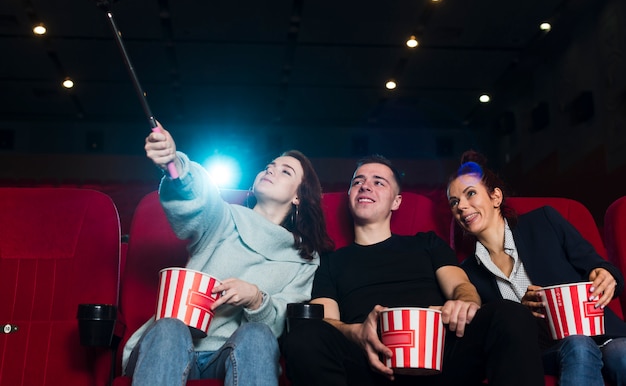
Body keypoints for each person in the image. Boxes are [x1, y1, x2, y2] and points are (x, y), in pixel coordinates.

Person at [281, 154, 544, 386]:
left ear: (396, 201)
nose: (365, 186)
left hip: (440, 357)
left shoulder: (426, 243)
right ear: (350, 195)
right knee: (304, 334)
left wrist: (464, 303)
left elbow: (460, 286)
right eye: (357, 181)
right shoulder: (331, 261)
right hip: (369, 364)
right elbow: (327, 320)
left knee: (510, 313)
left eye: (378, 181)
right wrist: (357, 333)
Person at [122, 123, 334, 386]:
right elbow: (197, 196)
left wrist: (256, 299)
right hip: (168, 350)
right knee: (168, 327)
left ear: (298, 197)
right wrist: (174, 163)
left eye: (285, 171)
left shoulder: (304, 258)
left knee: (257, 334)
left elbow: (282, 324)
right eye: (270, 165)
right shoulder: (224, 217)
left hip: (229, 357)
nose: (270, 169)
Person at [447, 150, 626, 386]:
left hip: (601, 333)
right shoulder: (467, 272)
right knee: (578, 345)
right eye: (454, 202)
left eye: (470, 194)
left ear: (495, 197)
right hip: (543, 350)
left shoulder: (544, 221)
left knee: (622, 355)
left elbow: (596, 264)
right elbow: (491, 332)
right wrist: (520, 313)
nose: (462, 206)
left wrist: (607, 274)